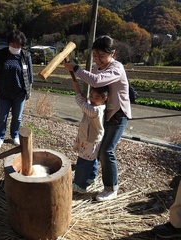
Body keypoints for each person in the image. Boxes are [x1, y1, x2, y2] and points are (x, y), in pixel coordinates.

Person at [64, 35, 132, 201]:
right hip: (103, 113)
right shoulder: (97, 67)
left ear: (112, 54)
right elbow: (95, 86)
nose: (98, 60)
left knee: (106, 151)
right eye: (95, 55)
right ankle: (89, 178)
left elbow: (97, 80)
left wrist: (76, 69)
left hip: (118, 114)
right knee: (96, 148)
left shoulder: (117, 68)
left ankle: (111, 188)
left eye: (102, 56)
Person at [0, 30, 33, 149]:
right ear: (9, 43)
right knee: (1, 117)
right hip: (4, 91)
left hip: (19, 92)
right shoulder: (2, 54)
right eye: (13, 44)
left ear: (22, 45)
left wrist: (29, 90)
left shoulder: (26, 55)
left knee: (17, 117)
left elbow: (30, 74)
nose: (15, 46)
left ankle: (15, 135)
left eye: (18, 45)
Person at [71, 76, 109, 193]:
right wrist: (85, 98)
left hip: (89, 140)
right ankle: (90, 178)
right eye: (91, 96)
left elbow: (81, 104)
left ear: (104, 99)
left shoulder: (95, 110)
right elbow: (86, 105)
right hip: (92, 139)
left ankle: (80, 185)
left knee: (83, 162)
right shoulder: (97, 107)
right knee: (91, 159)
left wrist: (77, 89)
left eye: (97, 97)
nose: (92, 99)